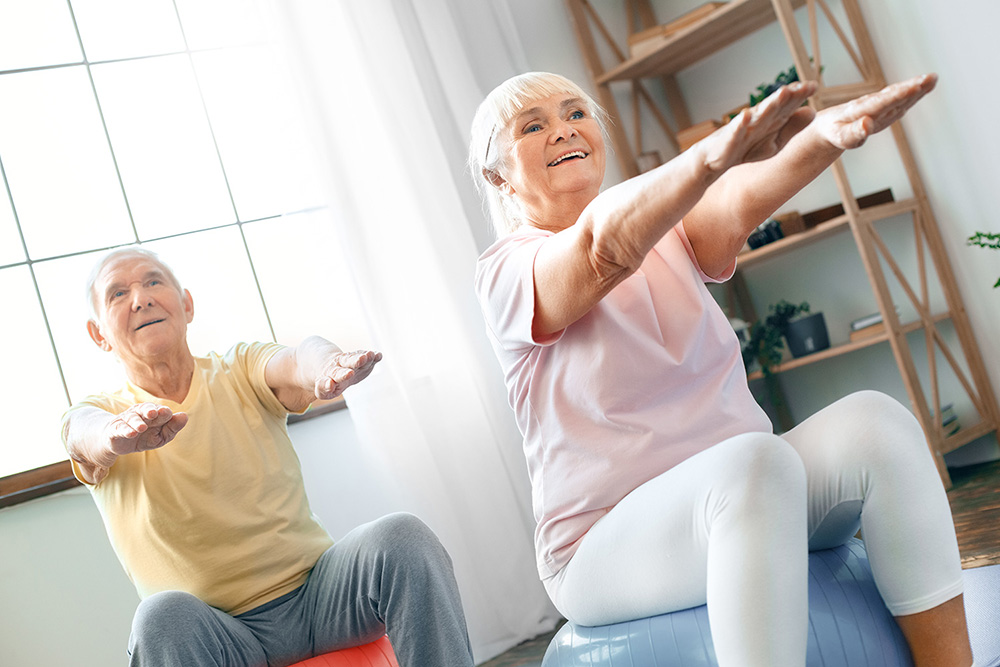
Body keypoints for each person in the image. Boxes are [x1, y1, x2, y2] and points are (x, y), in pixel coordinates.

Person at [470, 71, 974, 666]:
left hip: (753, 496)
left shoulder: (662, 225)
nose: (563, 131)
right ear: (497, 175)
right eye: (534, 126)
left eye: (574, 113)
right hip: (601, 547)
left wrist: (825, 140)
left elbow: (734, 202)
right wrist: (713, 155)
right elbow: (601, 251)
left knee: (878, 425)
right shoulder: (506, 274)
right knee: (753, 465)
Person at [62, 247, 474, 667]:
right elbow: (83, 434)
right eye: (118, 294)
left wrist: (326, 363)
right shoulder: (103, 415)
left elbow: (298, 358)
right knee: (159, 617)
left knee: (403, 536)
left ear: (186, 304)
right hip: (222, 636)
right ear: (99, 334)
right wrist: (114, 436)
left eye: (153, 282)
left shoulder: (237, 368)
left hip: (321, 599)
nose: (141, 298)